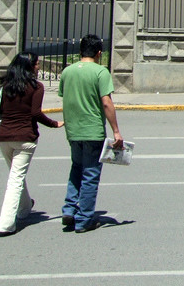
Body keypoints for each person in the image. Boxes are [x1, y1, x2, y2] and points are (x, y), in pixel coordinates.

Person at [59, 35, 123, 234]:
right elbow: (106, 103)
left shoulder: (67, 72)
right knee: (90, 174)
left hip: (73, 130)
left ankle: (69, 209)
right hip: (92, 130)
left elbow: (65, 97)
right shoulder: (100, 72)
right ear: (99, 53)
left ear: (80, 51)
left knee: (76, 169)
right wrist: (116, 131)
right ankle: (84, 219)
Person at [0, 52, 63, 236]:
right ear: (29, 66)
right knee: (16, 179)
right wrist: (54, 123)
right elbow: (36, 113)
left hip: (4, 137)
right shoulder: (36, 87)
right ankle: (6, 224)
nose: (38, 67)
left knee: (16, 175)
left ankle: (25, 206)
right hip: (25, 138)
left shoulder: (6, 86)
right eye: (36, 64)